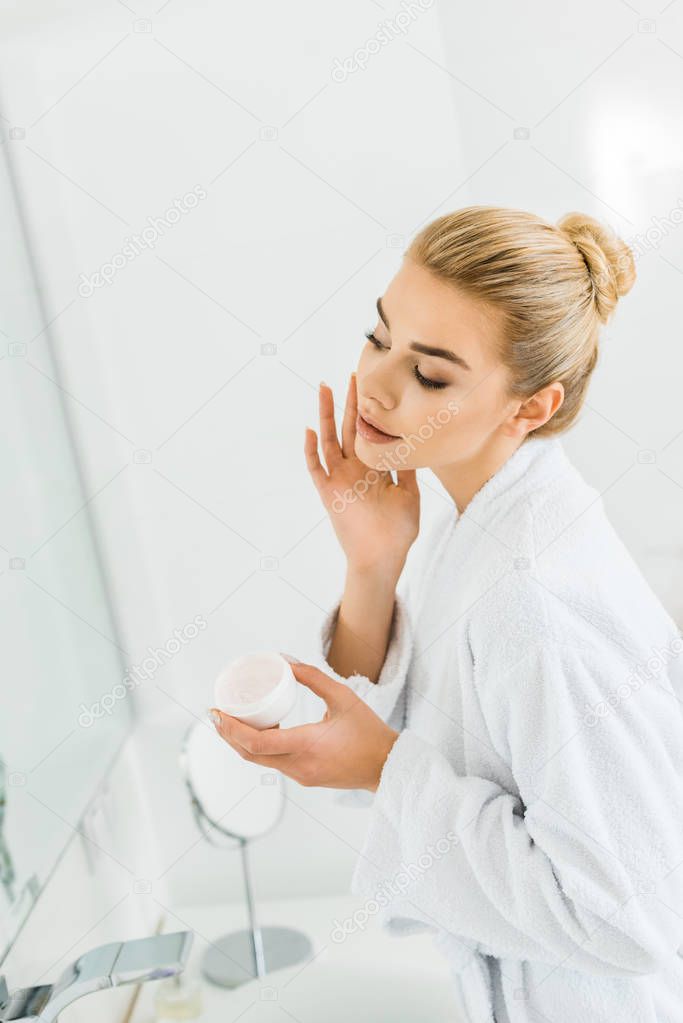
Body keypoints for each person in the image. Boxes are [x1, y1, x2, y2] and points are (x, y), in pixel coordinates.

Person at [210, 205, 683, 1021]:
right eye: (378, 335)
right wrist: (373, 561)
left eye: (430, 375)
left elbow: (630, 913)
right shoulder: (479, 520)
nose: (378, 384)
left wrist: (383, 768)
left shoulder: (533, 599)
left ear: (529, 407)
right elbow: (422, 746)